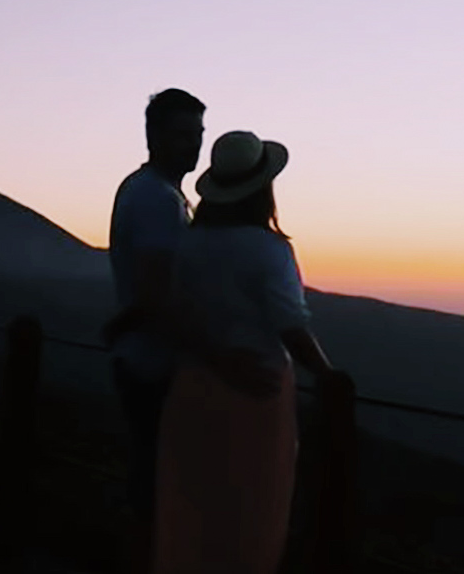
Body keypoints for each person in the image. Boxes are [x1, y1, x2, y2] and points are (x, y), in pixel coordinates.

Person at [105, 90, 282, 573]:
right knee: (162, 497)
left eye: (198, 135)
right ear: (154, 136)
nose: (192, 146)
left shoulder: (149, 191)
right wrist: (224, 359)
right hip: (154, 367)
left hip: (145, 360)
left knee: (155, 491)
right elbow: (158, 293)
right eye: (183, 135)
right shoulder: (158, 200)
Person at [152, 130, 333, 574]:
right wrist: (328, 376)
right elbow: (290, 323)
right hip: (256, 392)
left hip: (193, 385)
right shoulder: (270, 250)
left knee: (192, 511)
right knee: (251, 515)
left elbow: (174, 313)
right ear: (263, 188)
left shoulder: (190, 243)